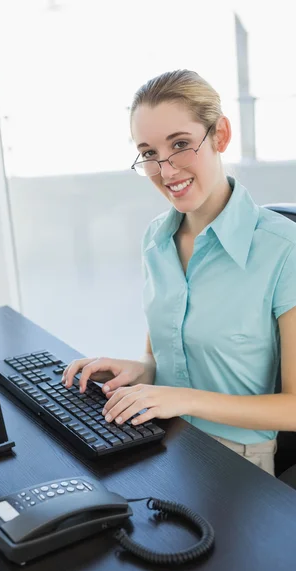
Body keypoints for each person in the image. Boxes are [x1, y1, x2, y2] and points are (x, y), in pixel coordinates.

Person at [62, 69, 296, 476]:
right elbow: (160, 354)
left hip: (238, 461)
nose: (166, 171)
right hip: (161, 437)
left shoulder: (284, 250)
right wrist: (140, 371)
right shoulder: (156, 239)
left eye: (181, 144)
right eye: (149, 153)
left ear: (220, 135)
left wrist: (183, 399)